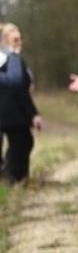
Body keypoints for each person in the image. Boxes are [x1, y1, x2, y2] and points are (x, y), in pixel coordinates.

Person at [0, 24, 43, 183]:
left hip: (15, 112)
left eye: (19, 38)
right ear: (4, 40)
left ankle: (16, 179)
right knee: (22, 143)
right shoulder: (10, 59)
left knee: (22, 143)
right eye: (14, 37)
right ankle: (13, 179)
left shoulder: (15, 59)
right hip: (11, 113)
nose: (19, 41)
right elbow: (18, 87)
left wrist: (33, 113)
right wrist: (33, 114)